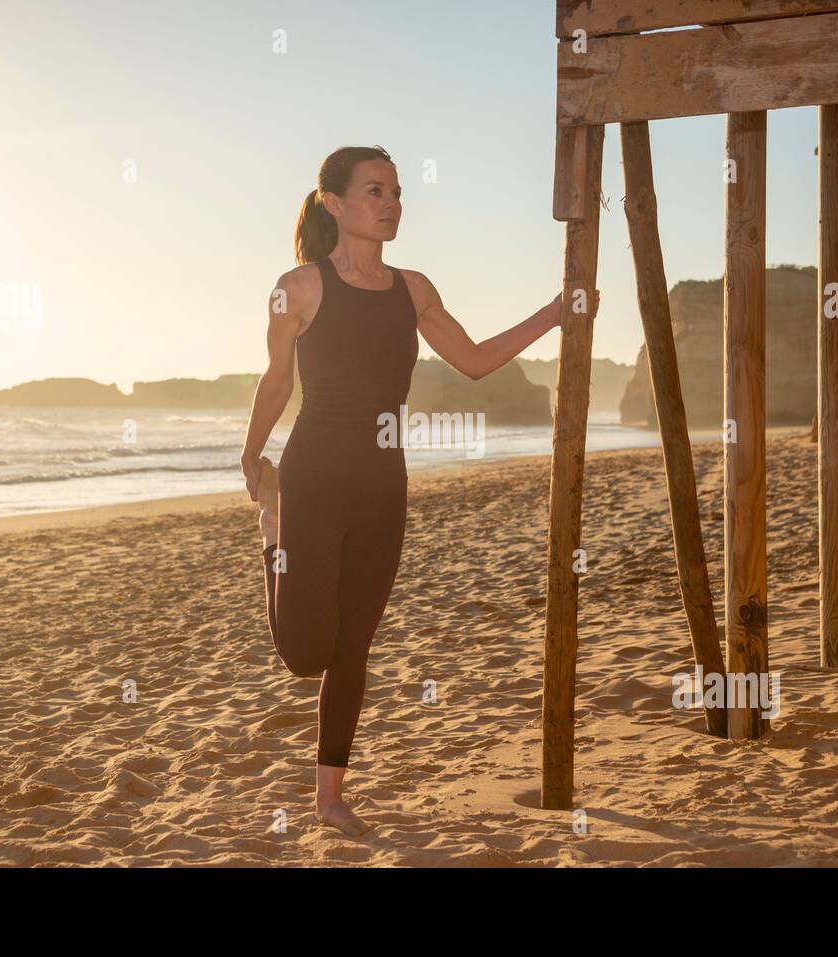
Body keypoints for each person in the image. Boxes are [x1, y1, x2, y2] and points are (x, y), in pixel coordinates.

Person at [239, 144, 598, 837]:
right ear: (335, 205)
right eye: (376, 191)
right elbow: (277, 381)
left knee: (353, 649)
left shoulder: (415, 289)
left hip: (384, 485)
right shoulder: (300, 288)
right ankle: (272, 539)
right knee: (305, 654)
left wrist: (555, 313)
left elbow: (473, 361)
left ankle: (330, 796)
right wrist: (253, 455)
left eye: (398, 192)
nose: (393, 204)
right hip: (309, 480)